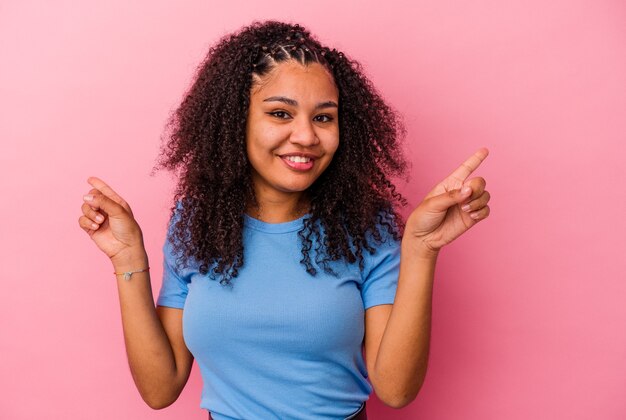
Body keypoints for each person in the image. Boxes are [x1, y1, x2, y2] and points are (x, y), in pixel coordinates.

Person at [78, 21, 491, 419]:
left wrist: (421, 248)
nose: (307, 136)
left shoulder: (366, 226)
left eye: (324, 117)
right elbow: (160, 387)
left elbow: (396, 389)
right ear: (235, 121)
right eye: (280, 113)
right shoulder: (197, 224)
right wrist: (127, 258)